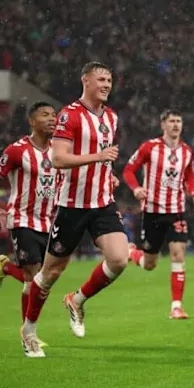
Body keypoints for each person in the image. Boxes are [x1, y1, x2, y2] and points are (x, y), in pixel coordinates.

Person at [19, 62, 128, 358]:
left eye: (109, 80)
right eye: (101, 79)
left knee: (119, 259)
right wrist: (98, 157)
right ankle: (29, 330)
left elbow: (105, 158)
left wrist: (108, 173)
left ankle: (77, 300)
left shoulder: (111, 117)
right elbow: (58, 159)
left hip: (102, 202)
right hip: (72, 206)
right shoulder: (70, 115)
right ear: (86, 81)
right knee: (50, 272)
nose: (106, 84)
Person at [0, 101, 57, 349]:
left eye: (54, 115)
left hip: (48, 221)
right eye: (45, 115)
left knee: (44, 278)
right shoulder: (17, 151)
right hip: (22, 219)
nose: (52, 118)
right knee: (33, 277)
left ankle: (6, 267)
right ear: (32, 121)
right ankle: (29, 333)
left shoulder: (60, 150)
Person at [124, 109, 194, 320]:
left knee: (178, 254)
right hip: (152, 212)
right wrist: (136, 188)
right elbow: (128, 170)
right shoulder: (150, 147)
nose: (176, 125)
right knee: (150, 264)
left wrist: (193, 191)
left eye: (179, 121)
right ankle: (132, 253)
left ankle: (176, 307)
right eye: (172, 121)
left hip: (176, 212)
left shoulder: (187, 151)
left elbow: (189, 176)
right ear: (163, 125)